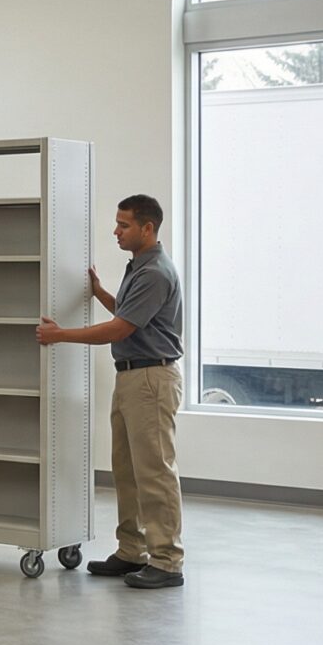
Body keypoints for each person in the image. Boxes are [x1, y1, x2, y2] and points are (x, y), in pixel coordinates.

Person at [39, 193, 185, 590]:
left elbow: (120, 330)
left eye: (123, 225)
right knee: (127, 470)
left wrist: (59, 335)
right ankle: (131, 550)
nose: (115, 231)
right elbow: (127, 312)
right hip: (132, 378)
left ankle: (167, 561)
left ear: (147, 228)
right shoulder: (139, 267)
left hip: (150, 380)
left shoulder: (155, 271)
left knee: (154, 471)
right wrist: (100, 291)